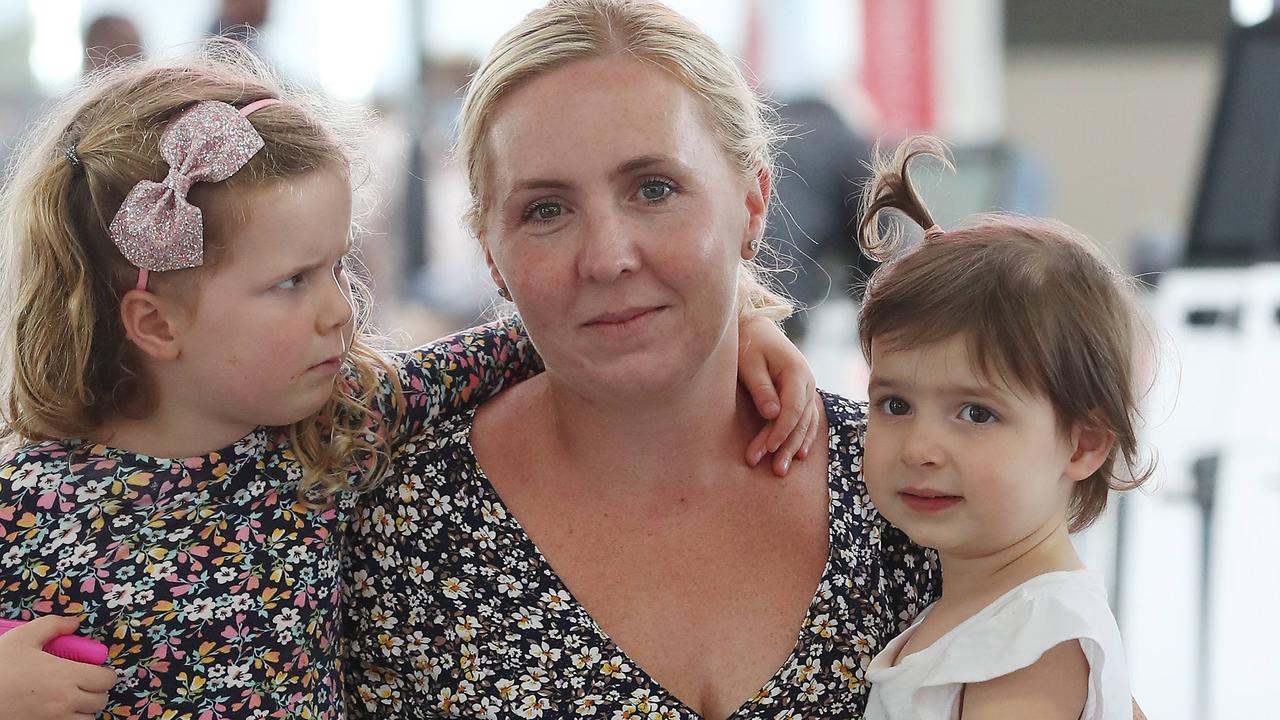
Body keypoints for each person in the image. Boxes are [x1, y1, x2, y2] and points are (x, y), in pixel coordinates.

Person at [0, 37, 815, 719]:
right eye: (292, 282)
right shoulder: (25, 498)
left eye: (338, 268)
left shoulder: (339, 423)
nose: (339, 313)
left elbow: (561, 330)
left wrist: (735, 319)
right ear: (156, 324)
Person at [342, 2, 937, 718]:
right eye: (546, 211)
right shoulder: (403, 534)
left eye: (654, 189)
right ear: (492, 257)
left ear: (753, 202)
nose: (608, 258)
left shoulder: (908, 492)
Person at [855, 136, 1151, 719]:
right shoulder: (989, 611)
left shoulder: (1034, 639)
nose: (919, 448)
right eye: (894, 405)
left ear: (1085, 443)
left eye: (976, 414)